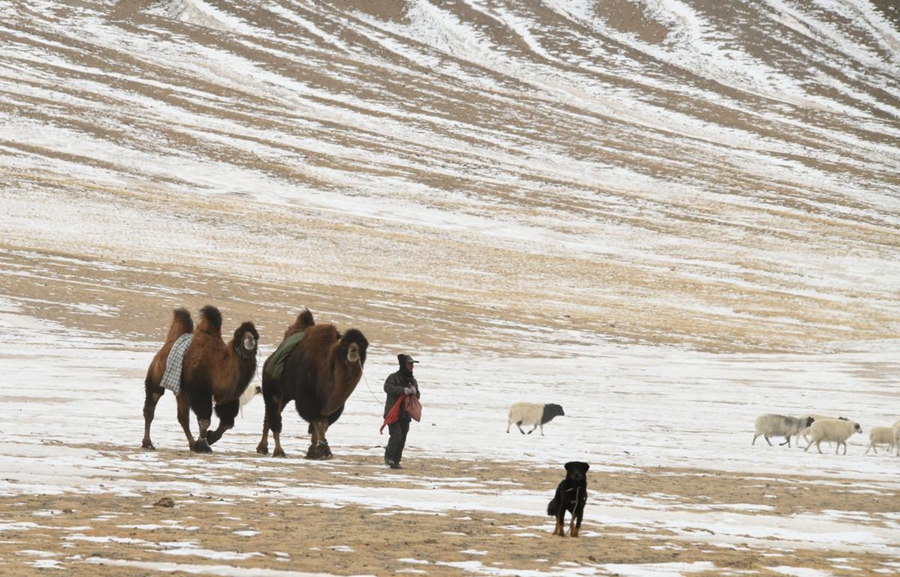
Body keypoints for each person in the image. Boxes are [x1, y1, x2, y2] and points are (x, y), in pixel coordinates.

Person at [383, 353, 421, 469]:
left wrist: (415, 392)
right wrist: (402, 390)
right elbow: (387, 388)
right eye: (409, 364)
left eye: (412, 364)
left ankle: (396, 461)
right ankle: (388, 457)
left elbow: (418, 396)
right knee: (396, 435)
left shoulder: (413, 380)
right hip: (393, 412)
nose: (411, 366)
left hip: (405, 414)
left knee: (403, 437)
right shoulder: (393, 377)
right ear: (403, 365)